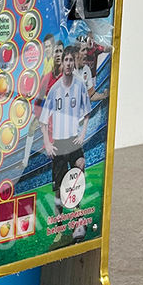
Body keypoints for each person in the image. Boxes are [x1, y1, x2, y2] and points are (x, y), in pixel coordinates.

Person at [39, 49, 91, 240]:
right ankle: (59, 227)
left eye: (70, 60)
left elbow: (87, 112)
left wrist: (82, 134)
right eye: (65, 60)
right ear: (61, 65)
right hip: (60, 143)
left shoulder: (79, 86)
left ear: (73, 63)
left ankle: (78, 220)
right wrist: (47, 143)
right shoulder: (54, 90)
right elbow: (43, 121)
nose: (68, 63)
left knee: (79, 169)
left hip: (73, 140)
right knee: (58, 190)